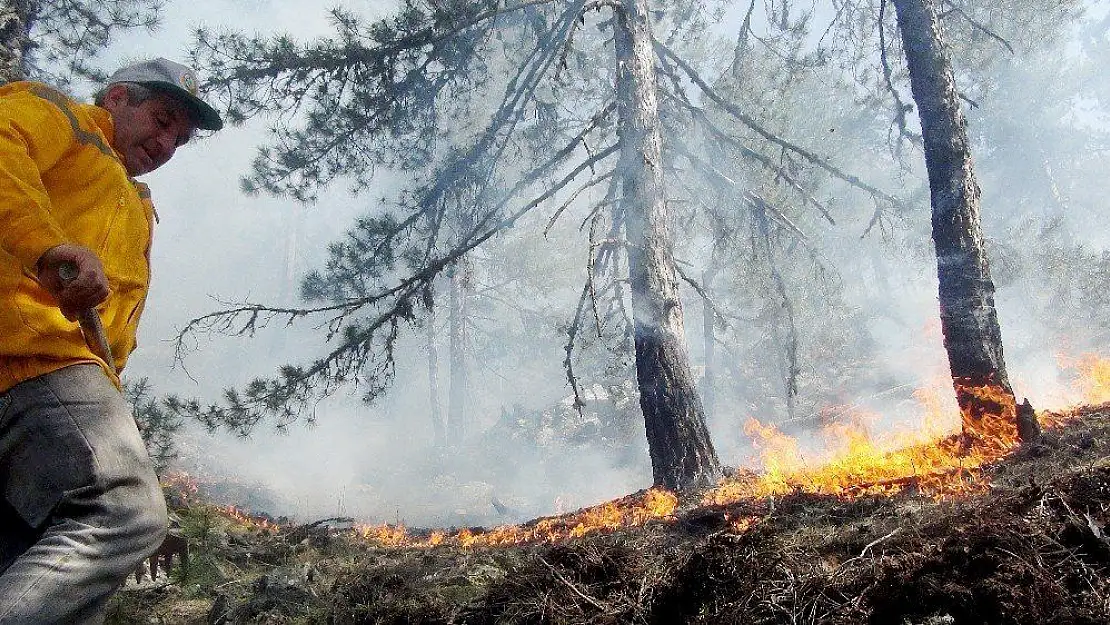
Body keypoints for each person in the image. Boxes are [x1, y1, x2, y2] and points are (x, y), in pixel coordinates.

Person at [0, 58, 222, 624]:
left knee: (38, 562)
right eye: (162, 118)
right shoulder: (60, 119)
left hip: (50, 377)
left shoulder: (135, 202)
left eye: (181, 137)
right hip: (38, 358)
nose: (168, 141)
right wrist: (47, 250)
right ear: (118, 96)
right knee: (124, 511)